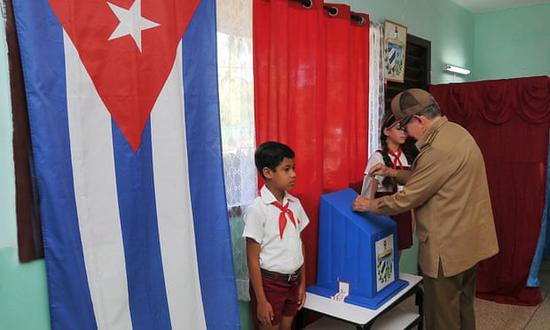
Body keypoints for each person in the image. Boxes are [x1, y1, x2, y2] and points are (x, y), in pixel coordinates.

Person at [352, 88, 499, 330]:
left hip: (446, 249)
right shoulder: (457, 133)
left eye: (405, 126)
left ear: (419, 120)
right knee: (462, 308)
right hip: (468, 243)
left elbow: (406, 199)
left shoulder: (437, 150)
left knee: (441, 317)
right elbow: (430, 177)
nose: (406, 134)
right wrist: (391, 172)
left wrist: (369, 204)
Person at [243, 141, 309, 330]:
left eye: (294, 168)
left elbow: (300, 245)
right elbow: (252, 258)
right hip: (270, 285)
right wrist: (262, 300)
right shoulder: (257, 209)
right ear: (268, 173)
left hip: (293, 281)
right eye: (286, 169)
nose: (293, 174)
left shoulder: (295, 204)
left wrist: (302, 283)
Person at [361, 112, 417, 254]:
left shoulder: (406, 158)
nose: (403, 133)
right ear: (386, 131)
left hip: (402, 211)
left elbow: (411, 190)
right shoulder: (377, 157)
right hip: (384, 212)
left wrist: (412, 218)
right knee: (382, 256)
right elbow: (368, 193)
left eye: (405, 129)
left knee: (398, 253)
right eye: (399, 128)